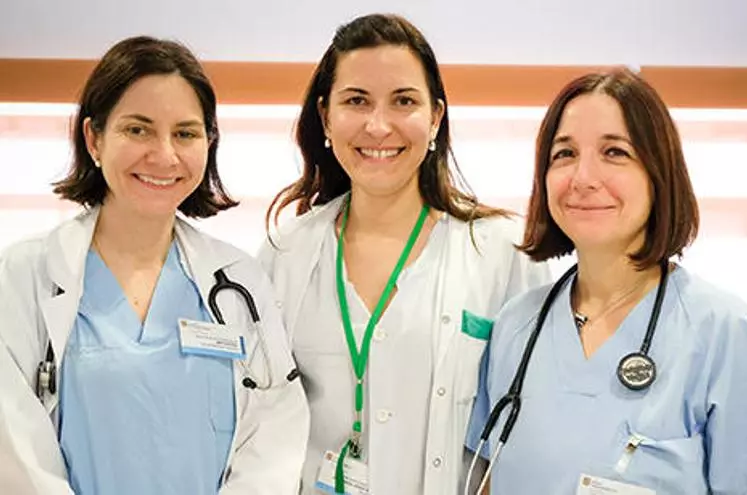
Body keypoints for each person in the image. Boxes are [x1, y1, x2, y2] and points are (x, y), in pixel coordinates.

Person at [465, 69, 747, 494]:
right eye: (564, 154)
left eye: (614, 152)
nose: (583, 178)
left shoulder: (720, 328)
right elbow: (487, 478)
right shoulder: (517, 325)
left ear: (658, 173)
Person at [0, 36, 309, 494]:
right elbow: (15, 447)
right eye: (138, 130)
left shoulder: (238, 279)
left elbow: (274, 435)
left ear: (208, 143)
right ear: (94, 138)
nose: (164, 155)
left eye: (185, 133)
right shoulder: (26, 274)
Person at [259, 13, 550, 495]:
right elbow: (260, 425)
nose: (378, 125)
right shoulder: (284, 255)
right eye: (356, 100)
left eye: (404, 101)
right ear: (325, 116)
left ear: (435, 117)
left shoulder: (502, 252)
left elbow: (535, 423)